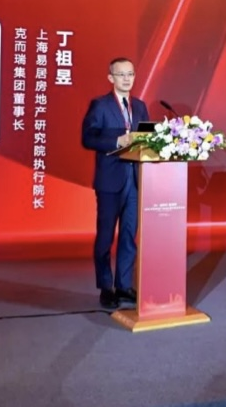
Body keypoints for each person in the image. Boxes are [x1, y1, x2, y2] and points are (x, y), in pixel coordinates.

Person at [81, 57, 150, 309]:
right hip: (110, 181)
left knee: (129, 236)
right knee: (105, 237)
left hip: (135, 181)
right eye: (121, 74)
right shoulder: (100, 105)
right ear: (111, 78)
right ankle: (105, 287)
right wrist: (116, 142)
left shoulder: (140, 106)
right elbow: (88, 138)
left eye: (130, 74)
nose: (127, 79)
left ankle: (123, 286)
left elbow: (147, 139)